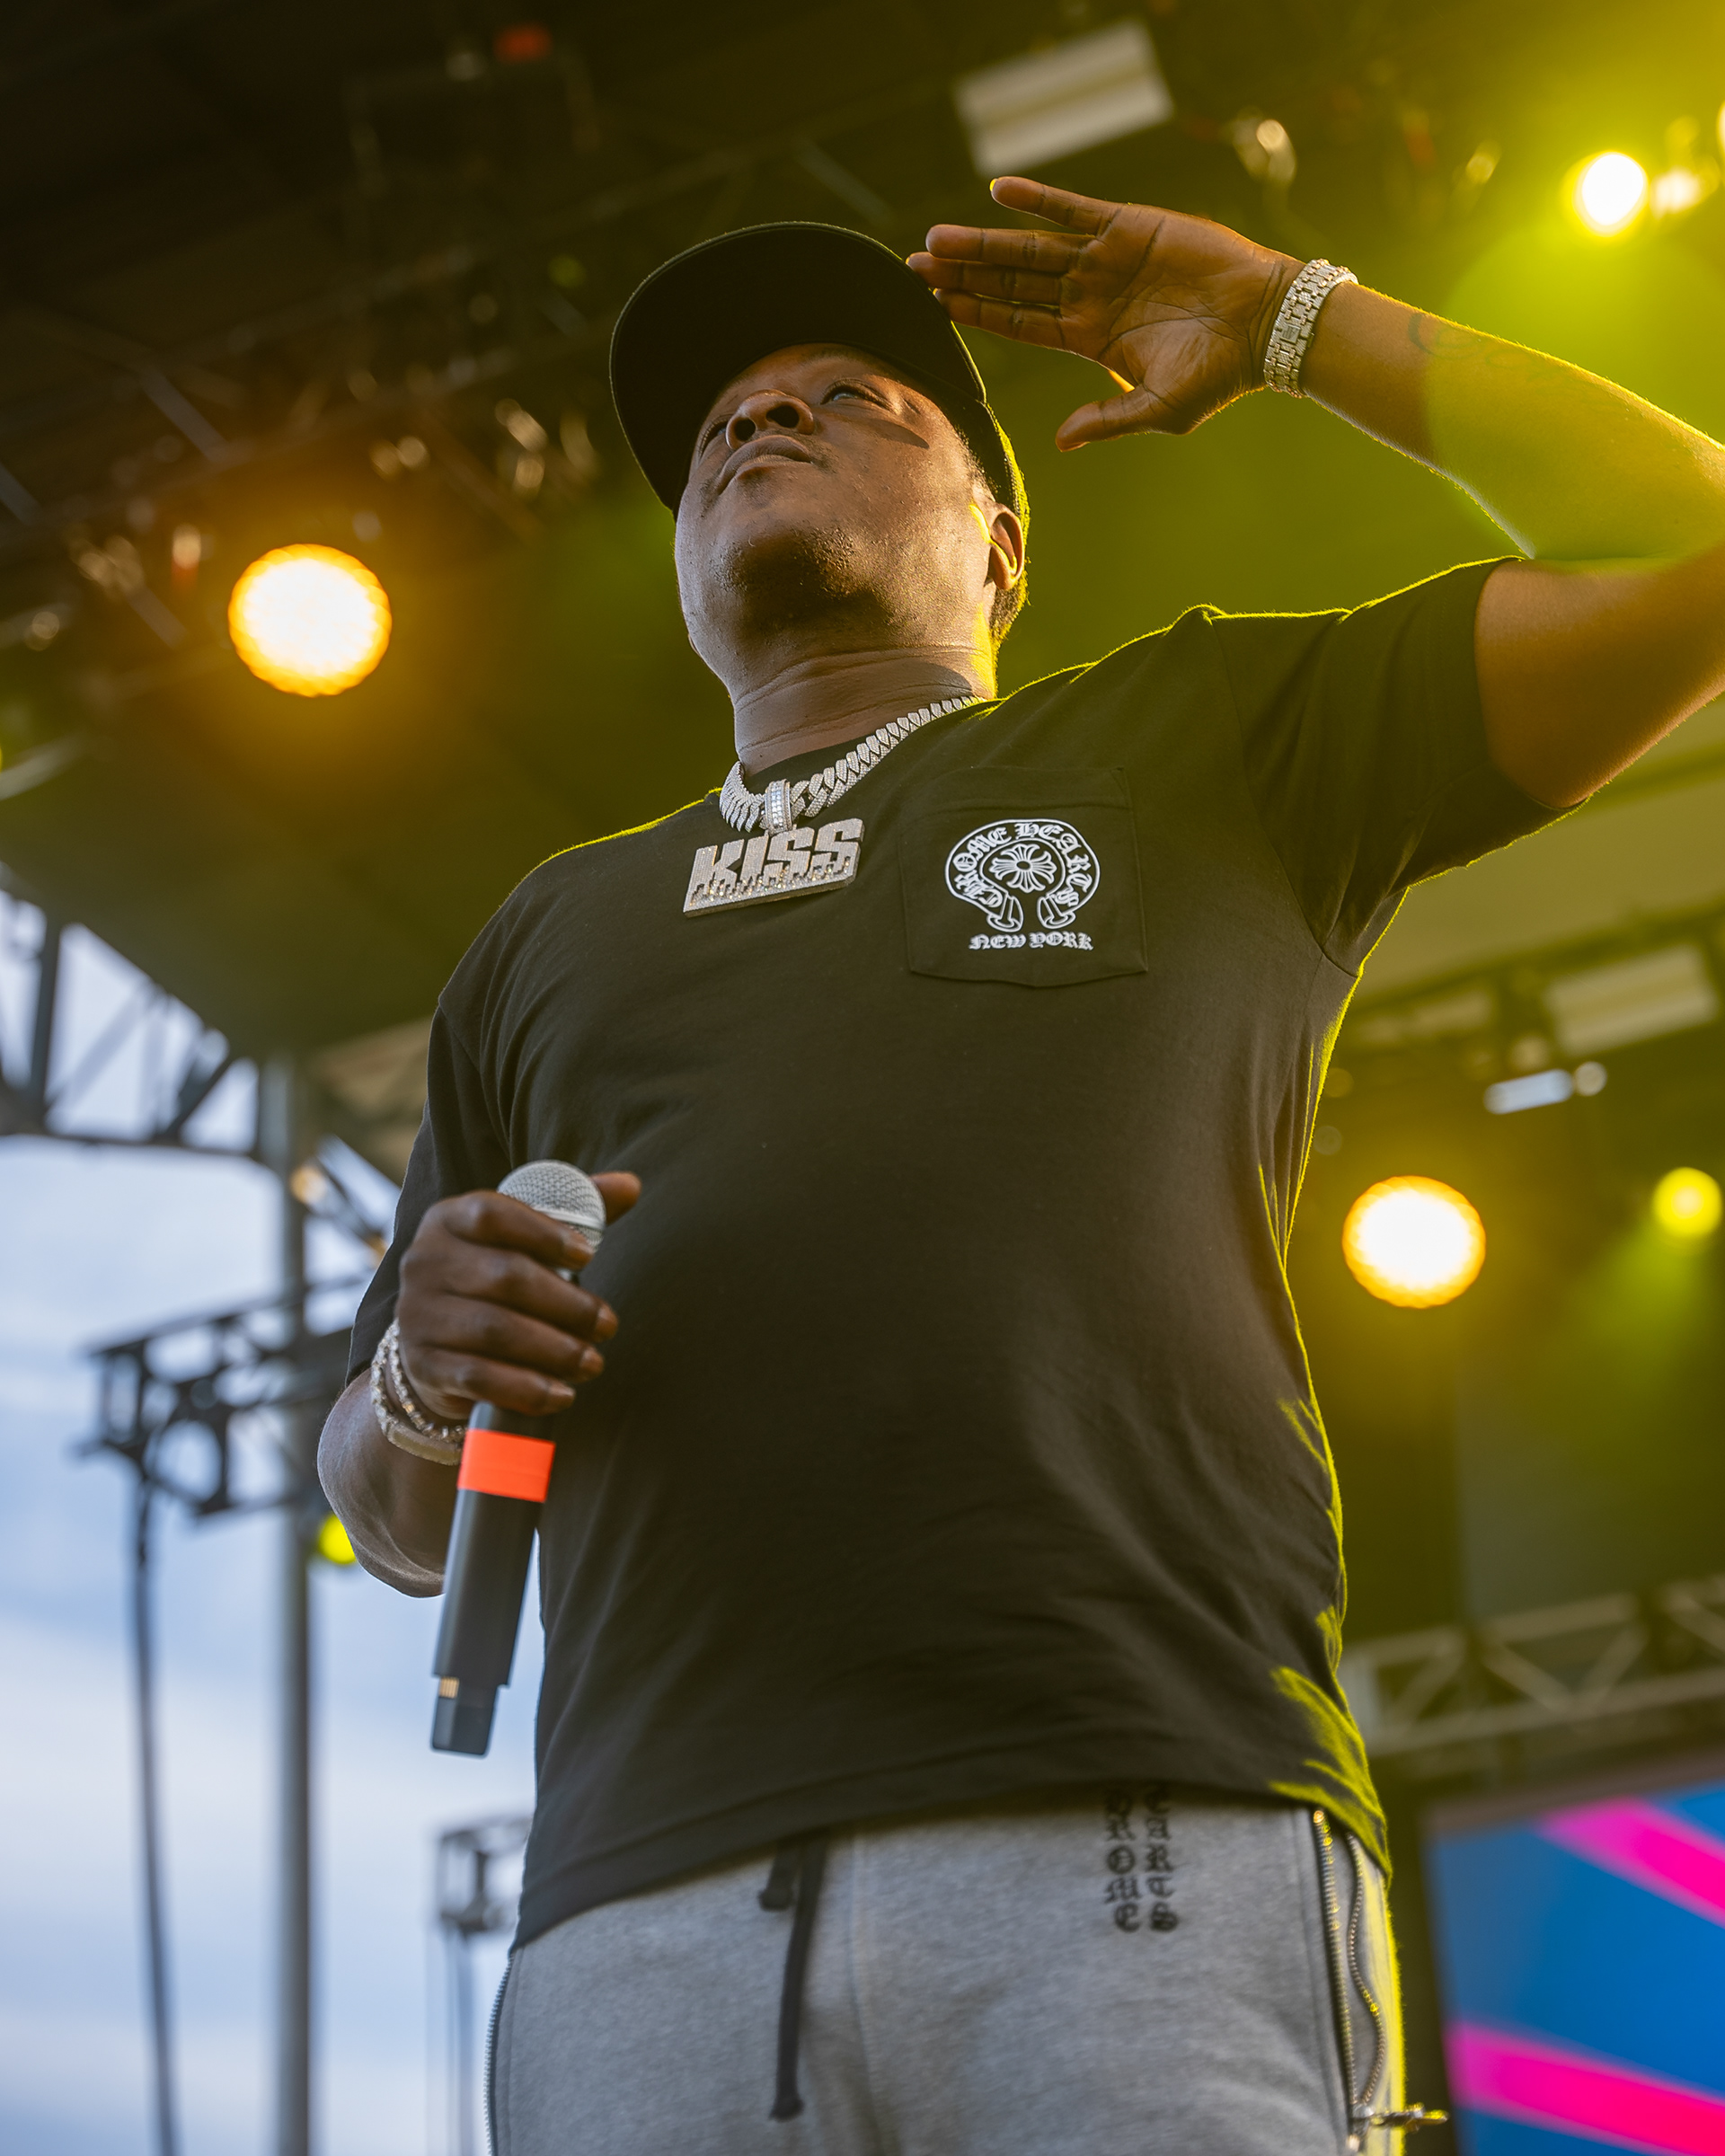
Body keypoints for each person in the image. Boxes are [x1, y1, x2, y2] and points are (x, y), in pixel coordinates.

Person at [320, 179, 1725, 2155]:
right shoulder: (546, 934)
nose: (763, 419)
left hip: (1135, 1819)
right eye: (723, 424)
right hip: (642, 1906)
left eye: (855, 399)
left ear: (999, 548)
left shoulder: (1206, 741)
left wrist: (1301, 319)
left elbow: (1693, 550)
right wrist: (419, 1371)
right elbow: (389, 1513)